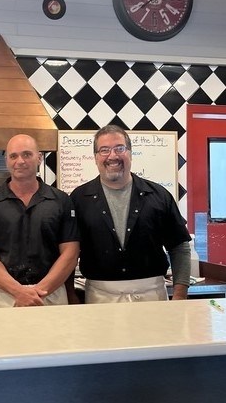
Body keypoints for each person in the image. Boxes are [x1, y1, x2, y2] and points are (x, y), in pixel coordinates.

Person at [70, 125, 191, 303]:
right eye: (104, 150)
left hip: (152, 297)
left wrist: (180, 294)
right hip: (99, 298)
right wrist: (70, 295)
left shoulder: (158, 195)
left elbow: (179, 247)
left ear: (130, 153)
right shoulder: (79, 199)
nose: (113, 156)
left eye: (120, 148)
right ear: (95, 157)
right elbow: (68, 252)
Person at [0, 134, 79, 307]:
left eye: (27, 154)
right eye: (13, 156)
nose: (20, 161)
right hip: (6, 295)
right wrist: (18, 291)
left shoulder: (62, 201)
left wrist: (38, 292)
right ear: (6, 161)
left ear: (39, 158)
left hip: (50, 293)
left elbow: (70, 253)